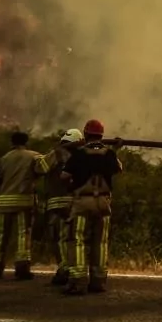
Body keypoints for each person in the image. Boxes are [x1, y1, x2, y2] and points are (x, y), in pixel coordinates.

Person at [61, 119, 122, 296]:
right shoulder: (109, 154)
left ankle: (78, 281)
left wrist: (73, 181)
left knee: (77, 240)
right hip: (104, 203)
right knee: (100, 243)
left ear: (86, 134)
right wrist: (116, 150)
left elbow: (64, 176)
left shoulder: (79, 154)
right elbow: (118, 169)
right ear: (101, 135)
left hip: (82, 202)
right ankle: (98, 281)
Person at [0, 131, 42, 280]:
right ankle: (22, 269)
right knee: (23, 235)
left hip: (4, 203)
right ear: (26, 142)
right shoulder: (34, 156)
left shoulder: (3, 159)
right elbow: (42, 170)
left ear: (11, 142)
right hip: (23, 202)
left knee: (0, 236)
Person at [34, 128, 84, 286]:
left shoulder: (57, 153)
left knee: (58, 238)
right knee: (72, 237)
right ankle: (74, 267)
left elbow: (39, 168)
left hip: (57, 201)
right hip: (75, 201)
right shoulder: (80, 155)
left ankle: (64, 270)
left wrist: (38, 158)